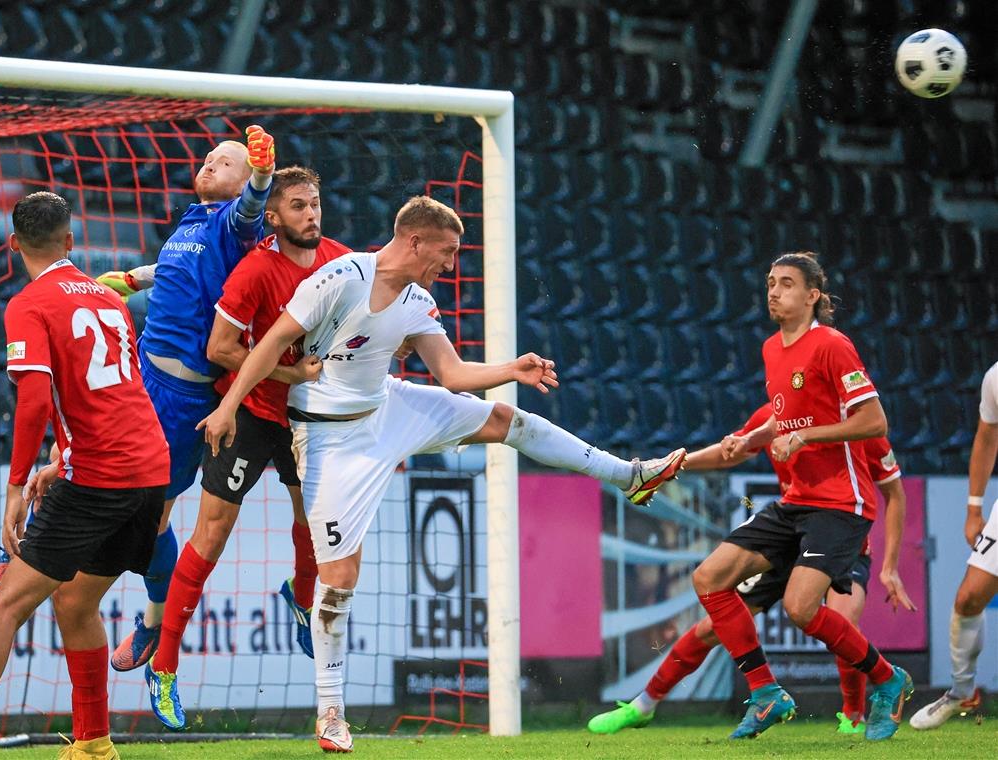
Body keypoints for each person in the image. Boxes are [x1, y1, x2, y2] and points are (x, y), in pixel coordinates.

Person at [198, 196, 687, 752]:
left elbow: (451, 374)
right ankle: (331, 712)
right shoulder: (342, 276)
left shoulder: (417, 300)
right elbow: (270, 344)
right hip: (329, 438)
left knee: (508, 418)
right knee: (339, 577)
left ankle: (630, 475)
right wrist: (228, 406)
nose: (450, 264)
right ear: (415, 241)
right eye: (447, 251)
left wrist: (512, 368)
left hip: (389, 407)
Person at [0, 126, 276, 675]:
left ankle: (154, 621)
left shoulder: (235, 224)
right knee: (72, 454)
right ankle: (12, 552)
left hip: (185, 398)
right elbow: (183, 269)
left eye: (224, 163)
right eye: (208, 157)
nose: (209, 165)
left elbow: (251, 210)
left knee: (153, 514)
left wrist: (260, 174)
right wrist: (136, 278)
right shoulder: (193, 220)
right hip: (142, 377)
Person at [0, 193, 169, 760]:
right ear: (71, 242)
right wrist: (59, 462)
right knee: (75, 602)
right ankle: (95, 743)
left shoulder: (29, 304)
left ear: (12, 244)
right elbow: (111, 392)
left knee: (4, 605)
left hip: (100, 476)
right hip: (148, 469)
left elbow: (33, 402)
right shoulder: (109, 298)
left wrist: (15, 487)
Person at [144, 167, 345, 729]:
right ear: (274, 217)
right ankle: (163, 667)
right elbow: (222, 348)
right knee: (211, 533)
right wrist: (288, 374)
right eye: (299, 206)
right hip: (251, 412)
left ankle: (300, 597)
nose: (312, 215)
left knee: (315, 526)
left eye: (316, 204)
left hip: (309, 417)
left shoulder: (340, 261)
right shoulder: (256, 267)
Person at [688, 251, 912, 741]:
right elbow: (785, 415)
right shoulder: (772, 349)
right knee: (708, 578)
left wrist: (807, 438)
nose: (774, 291)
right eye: (770, 282)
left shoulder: (832, 345)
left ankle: (887, 679)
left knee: (801, 608)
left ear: (812, 296)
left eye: (786, 283)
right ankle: (766, 692)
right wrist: (754, 439)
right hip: (796, 500)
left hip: (841, 501)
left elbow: (874, 422)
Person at [588, 402, 912, 737]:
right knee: (711, 626)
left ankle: (853, 717)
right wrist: (674, 465)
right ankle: (644, 704)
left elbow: (894, 493)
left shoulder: (858, 423)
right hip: (790, 533)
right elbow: (735, 451)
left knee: (841, 622)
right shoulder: (777, 414)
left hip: (843, 538)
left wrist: (890, 567)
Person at [910, 360, 998, 729]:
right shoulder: (995, 377)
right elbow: (986, 436)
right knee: (968, 597)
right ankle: (962, 690)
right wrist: (974, 508)